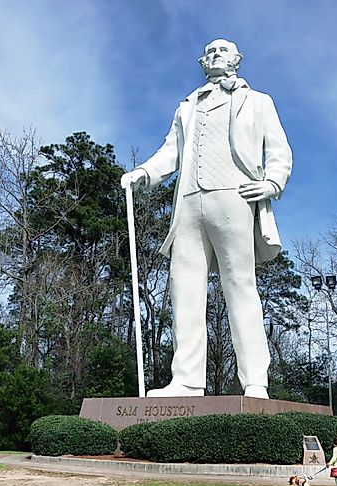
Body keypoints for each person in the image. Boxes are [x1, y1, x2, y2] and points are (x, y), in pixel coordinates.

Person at [121, 38, 292, 399]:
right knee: (184, 291)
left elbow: (279, 150)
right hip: (188, 203)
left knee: (240, 288)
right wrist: (143, 173)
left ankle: (255, 382)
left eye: (222, 51)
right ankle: (186, 380)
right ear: (202, 62)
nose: (215, 55)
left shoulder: (258, 102)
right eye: (210, 51)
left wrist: (273, 182)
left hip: (235, 197)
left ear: (237, 59)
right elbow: (170, 152)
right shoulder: (187, 107)